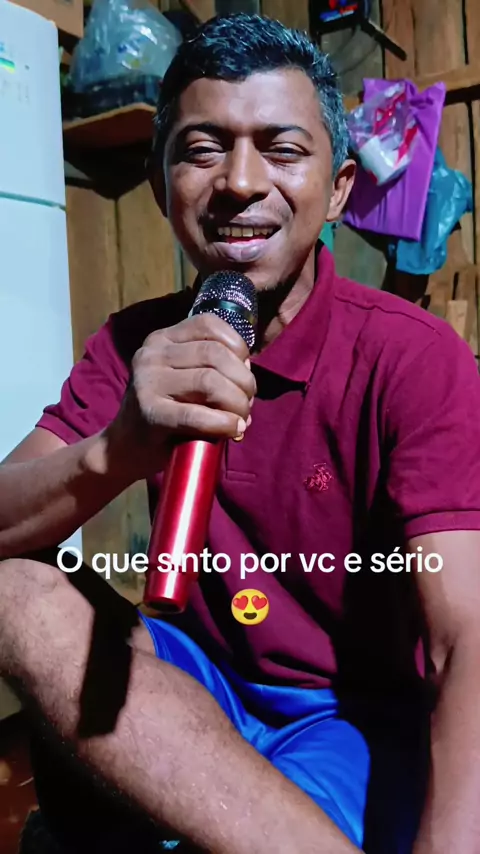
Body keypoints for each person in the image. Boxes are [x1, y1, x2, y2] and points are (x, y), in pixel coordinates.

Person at [1, 12, 480, 854]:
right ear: (161, 189)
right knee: (14, 586)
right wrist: (116, 449)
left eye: (282, 149)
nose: (240, 182)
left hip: (349, 713)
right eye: (202, 149)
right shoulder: (136, 342)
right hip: (193, 680)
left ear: (338, 190)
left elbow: (464, 634)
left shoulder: (411, 355)